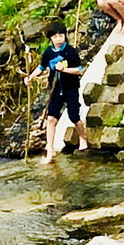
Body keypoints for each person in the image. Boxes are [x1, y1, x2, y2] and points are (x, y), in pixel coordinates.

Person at [24, 20, 89, 163]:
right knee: (51, 118)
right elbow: (41, 68)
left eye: (61, 36)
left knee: (73, 115)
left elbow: (79, 70)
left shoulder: (70, 51)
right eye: (55, 36)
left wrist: (64, 70)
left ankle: (82, 138)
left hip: (70, 88)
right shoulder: (48, 53)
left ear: (65, 36)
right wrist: (30, 78)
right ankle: (50, 149)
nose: (58, 39)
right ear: (50, 38)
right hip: (54, 89)